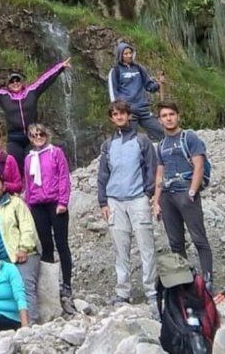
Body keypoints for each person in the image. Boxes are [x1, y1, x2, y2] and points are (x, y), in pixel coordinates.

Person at [0, 58, 71, 173]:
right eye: (12, 81)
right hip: (14, 138)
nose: (15, 83)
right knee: (15, 166)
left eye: (17, 80)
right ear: (8, 85)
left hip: (33, 136)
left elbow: (45, 79)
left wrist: (60, 67)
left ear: (22, 82)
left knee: (34, 165)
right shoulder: (3, 96)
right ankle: (19, 190)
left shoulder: (32, 91)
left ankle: (35, 190)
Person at [98, 100, 158, 305]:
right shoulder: (108, 145)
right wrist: (102, 202)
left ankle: (151, 291)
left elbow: (152, 166)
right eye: (115, 114)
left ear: (128, 115)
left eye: (122, 113)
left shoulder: (142, 140)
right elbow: (103, 174)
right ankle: (123, 291)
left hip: (138, 198)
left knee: (146, 245)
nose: (119, 117)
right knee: (120, 249)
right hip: (114, 200)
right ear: (111, 118)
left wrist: (148, 193)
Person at [152, 101, 213, 289]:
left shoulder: (190, 137)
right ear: (160, 120)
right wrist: (156, 200)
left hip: (186, 192)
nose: (169, 118)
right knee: (176, 243)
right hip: (167, 196)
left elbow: (199, 166)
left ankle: (208, 282)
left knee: (199, 239)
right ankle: (185, 284)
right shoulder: (161, 145)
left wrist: (192, 192)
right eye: (164, 116)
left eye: (171, 114)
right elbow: (160, 174)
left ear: (177, 116)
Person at [0, 173, 40, 324]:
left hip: (22, 254)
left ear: (4, 186)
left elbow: (27, 227)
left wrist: (24, 248)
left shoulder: (16, 203)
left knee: (24, 286)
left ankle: (32, 324)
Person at [22, 123, 73, 302]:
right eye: (34, 135)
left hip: (55, 204)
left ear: (47, 134)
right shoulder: (29, 158)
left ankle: (67, 284)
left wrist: (63, 201)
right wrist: (28, 205)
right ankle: (51, 285)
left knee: (62, 244)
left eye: (41, 134)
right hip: (37, 205)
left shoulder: (55, 152)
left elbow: (64, 177)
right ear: (29, 138)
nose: (38, 137)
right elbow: (27, 183)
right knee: (45, 246)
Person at [107, 42, 165, 140]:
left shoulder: (139, 68)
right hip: (128, 111)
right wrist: (118, 111)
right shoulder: (115, 71)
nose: (129, 55)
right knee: (130, 138)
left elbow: (149, 85)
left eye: (130, 53)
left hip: (143, 109)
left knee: (161, 132)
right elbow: (113, 92)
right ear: (120, 55)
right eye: (126, 54)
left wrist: (158, 84)